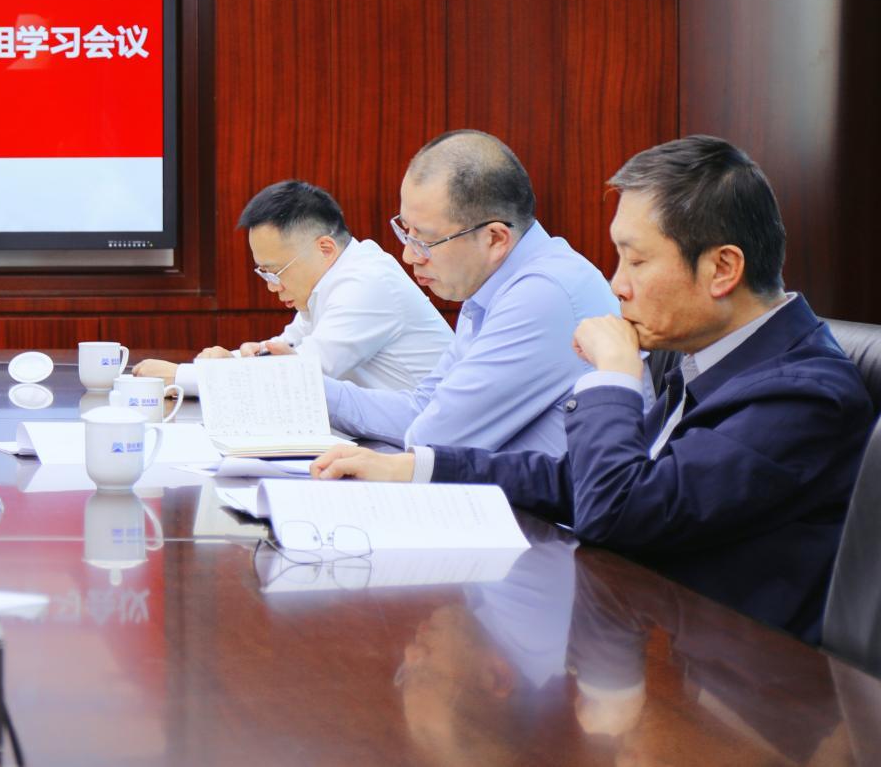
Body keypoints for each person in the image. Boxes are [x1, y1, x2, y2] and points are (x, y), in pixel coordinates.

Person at [315, 136, 875, 642]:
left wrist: (613, 374)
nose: (617, 284)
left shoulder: (801, 396)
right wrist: (416, 468)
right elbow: (576, 480)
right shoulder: (717, 361)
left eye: (637, 260)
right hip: (651, 640)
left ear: (722, 269)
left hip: (742, 694)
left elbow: (619, 511)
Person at [321, 130, 617, 454]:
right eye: (406, 231)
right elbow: (422, 409)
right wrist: (304, 389)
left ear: (495, 238)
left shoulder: (543, 295)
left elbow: (433, 439)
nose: (408, 255)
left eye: (424, 240)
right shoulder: (492, 283)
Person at [133, 180, 450, 394]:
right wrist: (229, 360)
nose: (273, 287)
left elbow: (298, 379)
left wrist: (181, 377)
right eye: (265, 273)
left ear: (325, 248)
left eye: (276, 271)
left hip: (424, 448)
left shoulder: (367, 283)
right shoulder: (329, 282)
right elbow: (284, 351)